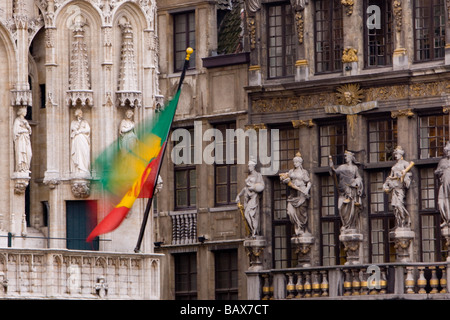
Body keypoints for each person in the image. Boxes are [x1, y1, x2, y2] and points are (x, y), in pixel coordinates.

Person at [329, 150, 363, 232]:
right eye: (345, 157)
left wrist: (356, 181)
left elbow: (359, 177)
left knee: (351, 209)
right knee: (340, 207)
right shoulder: (341, 167)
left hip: (351, 191)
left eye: (347, 156)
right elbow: (335, 173)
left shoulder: (354, 168)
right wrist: (331, 166)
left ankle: (350, 225)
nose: (345, 158)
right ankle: (345, 224)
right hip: (342, 191)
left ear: (351, 158)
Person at [280, 152, 311, 236]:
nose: (295, 163)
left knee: (301, 213)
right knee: (290, 211)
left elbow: (308, 182)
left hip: (302, 193)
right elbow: (284, 179)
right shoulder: (290, 172)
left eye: (297, 162)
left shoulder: (304, 172)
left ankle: (301, 228)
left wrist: (307, 189)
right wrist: (283, 180)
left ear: (300, 163)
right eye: (294, 162)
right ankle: (297, 226)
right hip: (293, 194)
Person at [383, 146, 414, 229]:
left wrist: (404, 174)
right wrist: (385, 185)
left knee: (399, 205)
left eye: (397, 154)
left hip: (400, 188)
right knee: (395, 207)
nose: (396, 155)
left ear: (401, 154)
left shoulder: (405, 164)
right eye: (395, 154)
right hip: (394, 188)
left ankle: (404, 220)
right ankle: (399, 222)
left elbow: (410, 174)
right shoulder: (394, 166)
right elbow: (390, 177)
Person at [236, 160, 265, 238]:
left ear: (253, 166)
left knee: (250, 214)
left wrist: (254, 187)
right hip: (247, 198)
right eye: (248, 166)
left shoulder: (258, 175)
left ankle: (254, 231)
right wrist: (238, 195)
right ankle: (252, 230)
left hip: (254, 197)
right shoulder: (249, 176)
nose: (249, 168)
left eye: (250, 166)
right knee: (247, 215)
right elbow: (245, 188)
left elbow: (261, 186)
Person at [70, 108, 91, 176]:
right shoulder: (73, 122)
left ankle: (84, 169)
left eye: (81, 113)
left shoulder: (85, 122)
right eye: (80, 113)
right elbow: (73, 128)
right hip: (77, 140)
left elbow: (88, 130)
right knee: (78, 153)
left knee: (84, 153)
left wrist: (80, 131)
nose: (81, 115)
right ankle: (77, 169)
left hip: (83, 139)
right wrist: (78, 125)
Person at [13, 107, 32, 173]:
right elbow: (16, 131)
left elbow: (30, 131)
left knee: (29, 154)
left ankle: (26, 167)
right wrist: (24, 130)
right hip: (21, 140)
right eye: (25, 111)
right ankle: (21, 168)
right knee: (21, 153)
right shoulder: (17, 120)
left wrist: (27, 126)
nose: (26, 112)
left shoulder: (25, 121)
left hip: (26, 140)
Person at [435, 142, 450, 228]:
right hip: (444, 184)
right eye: (446, 151)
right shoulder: (442, 161)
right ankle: (447, 218)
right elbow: (437, 172)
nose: (448, 153)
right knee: (441, 201)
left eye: (449, 151)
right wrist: (439, 172)